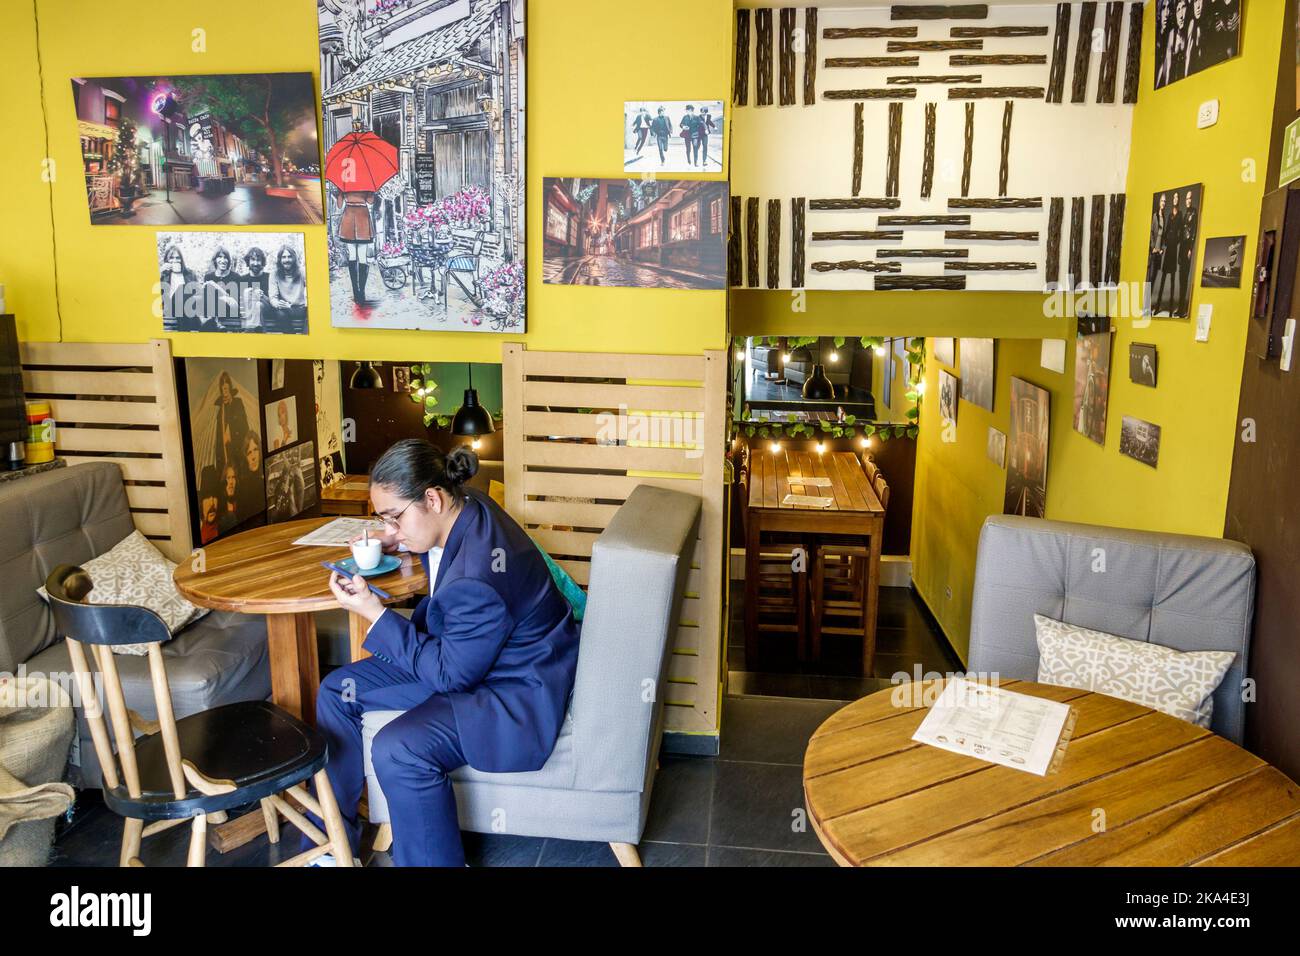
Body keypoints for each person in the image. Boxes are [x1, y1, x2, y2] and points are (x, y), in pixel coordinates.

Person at [306, 441, 581, 866]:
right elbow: (446, 569)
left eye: (393, 516)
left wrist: (373, 613)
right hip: (475, 656)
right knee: (337, 691)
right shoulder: (468, 503)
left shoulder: (478, 578)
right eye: (382, 518)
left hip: (512, 688)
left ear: (431, 498)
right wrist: (398, 539)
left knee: (398, 748)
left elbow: (451, 676)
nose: (389, 527)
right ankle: (333, 847)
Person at [336, 188, 377, 304]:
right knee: (362, 257)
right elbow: (370, 201)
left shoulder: (344, 184)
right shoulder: (366, 184)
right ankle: (361, 292)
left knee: (352, 255)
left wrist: (340, 193)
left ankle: (355, 290)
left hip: (349, 216)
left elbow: (339, 206)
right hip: (362, 217)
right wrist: (371, 191)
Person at [212, 370, 249, 481]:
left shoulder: (238, 403)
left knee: (240, 479)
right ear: (221, 389)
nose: (224, 386)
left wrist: (231, 435)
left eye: (226, 382)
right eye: (222, 384)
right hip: (225, 452)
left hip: (238, 449)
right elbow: (218, 439)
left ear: (230, 386)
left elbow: (245, 427)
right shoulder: (220, 411)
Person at [268, 244, 307, 333]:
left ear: (294, 258)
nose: (286, 260)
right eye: (283, 257)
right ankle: (292, 339)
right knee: (280, 314)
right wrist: (278, 304)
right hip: (285, 309)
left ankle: (307, 339)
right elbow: (273, 297)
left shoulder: (302, 272)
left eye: (289, 257)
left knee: (313, 313)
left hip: (301, 308)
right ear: (280, 259)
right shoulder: (274, 274)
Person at [202, 246, 241, 331]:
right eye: (220, 257)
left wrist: (217, 288)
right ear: (215, 260)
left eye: (225, 258)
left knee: (214, 292)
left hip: (230, 310)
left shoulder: (235, 277)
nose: (223, 261)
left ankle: (214, 322)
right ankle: (214, 322)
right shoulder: (208, 276)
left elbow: (234, 302)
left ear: (229, 260)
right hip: (212, 310)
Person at [159, 244, 198, 332]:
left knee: (185, 291)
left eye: (178, 258)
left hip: (189, 307)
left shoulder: (190, 274)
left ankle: (184, 332)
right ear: (167, 260)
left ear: (181, 260)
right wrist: (160, 271)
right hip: (169, 307)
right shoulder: (164, 275)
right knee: (183, 289)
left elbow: (197, 293)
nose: (175, 260)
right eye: (171, 258)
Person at [238, 247, 270, 332]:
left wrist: (263, 296)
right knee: (247, 292)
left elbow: (274, 301)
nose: (255, 263)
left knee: (258, 304)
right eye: (252, 259)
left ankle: (249, 330)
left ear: (262, 262)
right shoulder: (242, 279)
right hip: (248, 314)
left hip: (267, 310)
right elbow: (241, 305)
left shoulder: (269, 278)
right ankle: (253, 329)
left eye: (258, 260)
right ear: (248, 261)